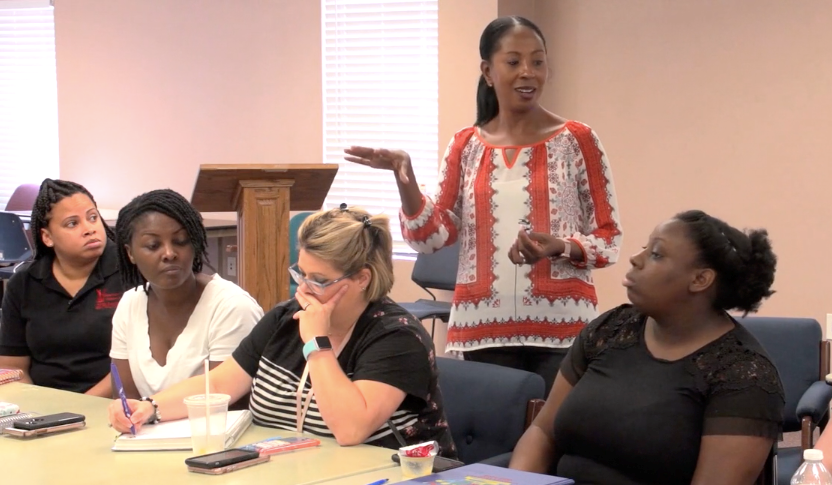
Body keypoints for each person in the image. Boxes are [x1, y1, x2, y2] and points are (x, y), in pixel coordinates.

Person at [343, 16, 622, 391]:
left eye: (537, 62)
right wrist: (403, 175)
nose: (528, 73)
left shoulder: (578, 140)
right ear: (488, 72)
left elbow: (608, 238)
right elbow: (430, 238)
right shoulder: (465, 145)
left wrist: (561, 246)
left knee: (554, 440)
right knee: (498, 441)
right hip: (482, 328)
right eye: (513, 62)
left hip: (563, 327)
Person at [108, 206, 456, 457]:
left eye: (319, 281)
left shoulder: (397, 336)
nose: (302, 289)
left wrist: (317, 346)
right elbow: (221, 383)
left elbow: (350, 430)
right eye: (300, 273)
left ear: (362, 279)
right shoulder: (285, 317)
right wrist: (150, 407)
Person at [509, 210, 784, 485]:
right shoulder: (610, 329)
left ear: (700, 280)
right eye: (645, 248)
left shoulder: (744, 376)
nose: (635, 259)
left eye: (656, 254)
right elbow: (543, 432)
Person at [110, 189, 262, 399]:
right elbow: (126, 398)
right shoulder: (129, 304)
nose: (169, 253)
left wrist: (150, 412)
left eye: (180, 241)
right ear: (130, 253)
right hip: (146, 430)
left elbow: (225, 400)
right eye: (153, 245)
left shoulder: (232, 307)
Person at [0, 179, 124, 396]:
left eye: (93, 218)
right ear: (47, 237)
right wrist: (38, 410)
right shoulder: (23, 284)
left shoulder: (130, 273)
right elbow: (14, 367)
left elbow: (135, 365)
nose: (89, 229)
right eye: (72, 223)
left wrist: (77, 407)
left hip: (113, 404)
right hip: (44, 410)